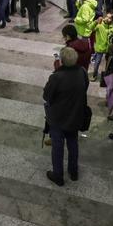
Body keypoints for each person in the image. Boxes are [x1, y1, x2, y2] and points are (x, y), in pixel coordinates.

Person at [43, 47, 89, 186]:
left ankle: (58, 175)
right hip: (75, 114)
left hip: (58, 117)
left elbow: (47, 96)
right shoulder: (82, 72)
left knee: (57, 146)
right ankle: (73, 172)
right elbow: (85, 86)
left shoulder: (57, 77)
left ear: (62, 61)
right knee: (73, 142)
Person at [91, 13, 113, 79]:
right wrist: (96, 22)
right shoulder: (100, 25)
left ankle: (106, 76)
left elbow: (110, 33)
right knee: (97, 62)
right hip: (100, 47)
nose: (107, 18)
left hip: (109, 48)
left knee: (108, 63)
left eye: (109, 18)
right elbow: (91, 28)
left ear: (112, 20)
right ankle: (94, 74)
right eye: (106, 16)